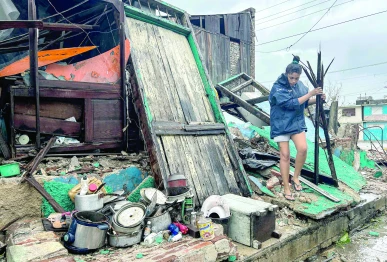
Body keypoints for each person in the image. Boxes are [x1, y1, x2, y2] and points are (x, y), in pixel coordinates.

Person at [269, 56, 325, 201]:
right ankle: (286, 187)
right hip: (281, 124)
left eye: (296, 78)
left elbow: (304, 103)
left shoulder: (301, 87)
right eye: (291, 77)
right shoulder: (278, 87)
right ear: (287, 74)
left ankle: (295, 177)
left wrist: (318, 98)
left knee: (303, 149)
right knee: (285, 155)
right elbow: (292, 103)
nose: (293, 81)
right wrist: (310, 94)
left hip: (295, 123)